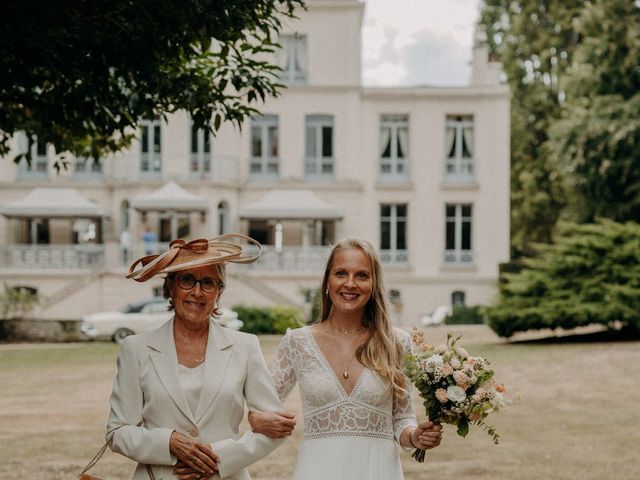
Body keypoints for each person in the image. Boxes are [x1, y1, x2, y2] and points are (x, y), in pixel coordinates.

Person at [184, 238, 443, 480]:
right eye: (341, 273)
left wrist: (417, 437)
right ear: (327, 282)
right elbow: (263, 406)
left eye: (361, 275)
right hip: (317, 468)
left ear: (373, 284)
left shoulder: (396, 343)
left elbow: (402, 421)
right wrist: (255, 418)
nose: (350, 283)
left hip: (378, 468)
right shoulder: (297, 342)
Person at [106, 234, 289, 480]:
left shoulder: (245, 346)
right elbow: (117, 432)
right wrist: (168, 442)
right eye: (187, 280)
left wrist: (218, 459)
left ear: (219, 291)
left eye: (208, 282)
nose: (197, 292)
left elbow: (276, 429)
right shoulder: (135, 349)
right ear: (170, 286)